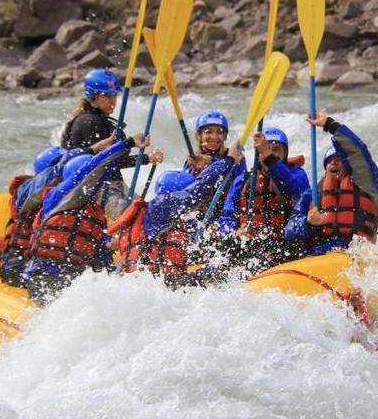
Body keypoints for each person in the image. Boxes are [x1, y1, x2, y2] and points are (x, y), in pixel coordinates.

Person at [22, 133, 159, 303]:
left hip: (75, 282)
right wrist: (127, 143)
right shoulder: (57, 198)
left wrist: (112, 247)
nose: (99, 184)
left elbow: (101, 259)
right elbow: (93, 167)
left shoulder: (95, 213)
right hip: (45, 278)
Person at [107, 141, 243, 283]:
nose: (196, 207)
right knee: (222, 271)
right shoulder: (163, 205)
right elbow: (197, 190)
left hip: (142, 281)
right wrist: (228, 160)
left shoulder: (156, 216)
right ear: (174, 193)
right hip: (154, 282)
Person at [195, 127, 310, 280]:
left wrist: (269, 157)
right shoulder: (243, 180)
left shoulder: (297, 174)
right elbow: (226, 217)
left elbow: (291, 188)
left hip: (284, 247)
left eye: (276, 150)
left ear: (285, 154)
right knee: (221, 249)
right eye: (267, 148)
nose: (271, 152)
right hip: (250, 245)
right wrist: (235, 232)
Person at [284, 111, 378, 255]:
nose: (333, 162)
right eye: (329, 160)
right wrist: (308, 222)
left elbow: (359, 153)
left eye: (338, 159)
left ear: (349, 166)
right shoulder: (312, 195)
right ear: (325, 169)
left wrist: (330, 125)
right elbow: (290, 233)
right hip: (320, 255)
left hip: (357, 253)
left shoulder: (366, 185)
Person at [61, 68, 153, 218]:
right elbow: (109, 161)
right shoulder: (89, 121)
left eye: (114, 95)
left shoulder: (96, 119)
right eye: (107, 96)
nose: (113, 101)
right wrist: (146, 159)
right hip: (99, 187)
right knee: (135, 218)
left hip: (109, 183)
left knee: (146, 213)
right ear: (94, 96)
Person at [183, 110, 229, 175]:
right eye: (208, 132)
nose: (214, 137)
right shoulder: (193, 160)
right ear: (199, 136)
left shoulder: (235, 157)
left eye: (219, 132)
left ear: (224, 136)